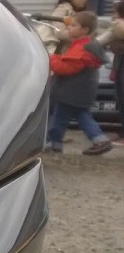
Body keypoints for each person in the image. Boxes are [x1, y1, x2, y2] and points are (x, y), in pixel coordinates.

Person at [44, 9, 113, 156]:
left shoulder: (82, 49)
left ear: (85, 29)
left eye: (74, 25)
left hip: (71, 93)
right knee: (72, 117)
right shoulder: (85, 45)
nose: (69, 27)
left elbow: (66, 68)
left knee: (62, 119)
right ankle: (55, 143)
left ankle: (55, 143)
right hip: (77, 93)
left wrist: (49, 58)